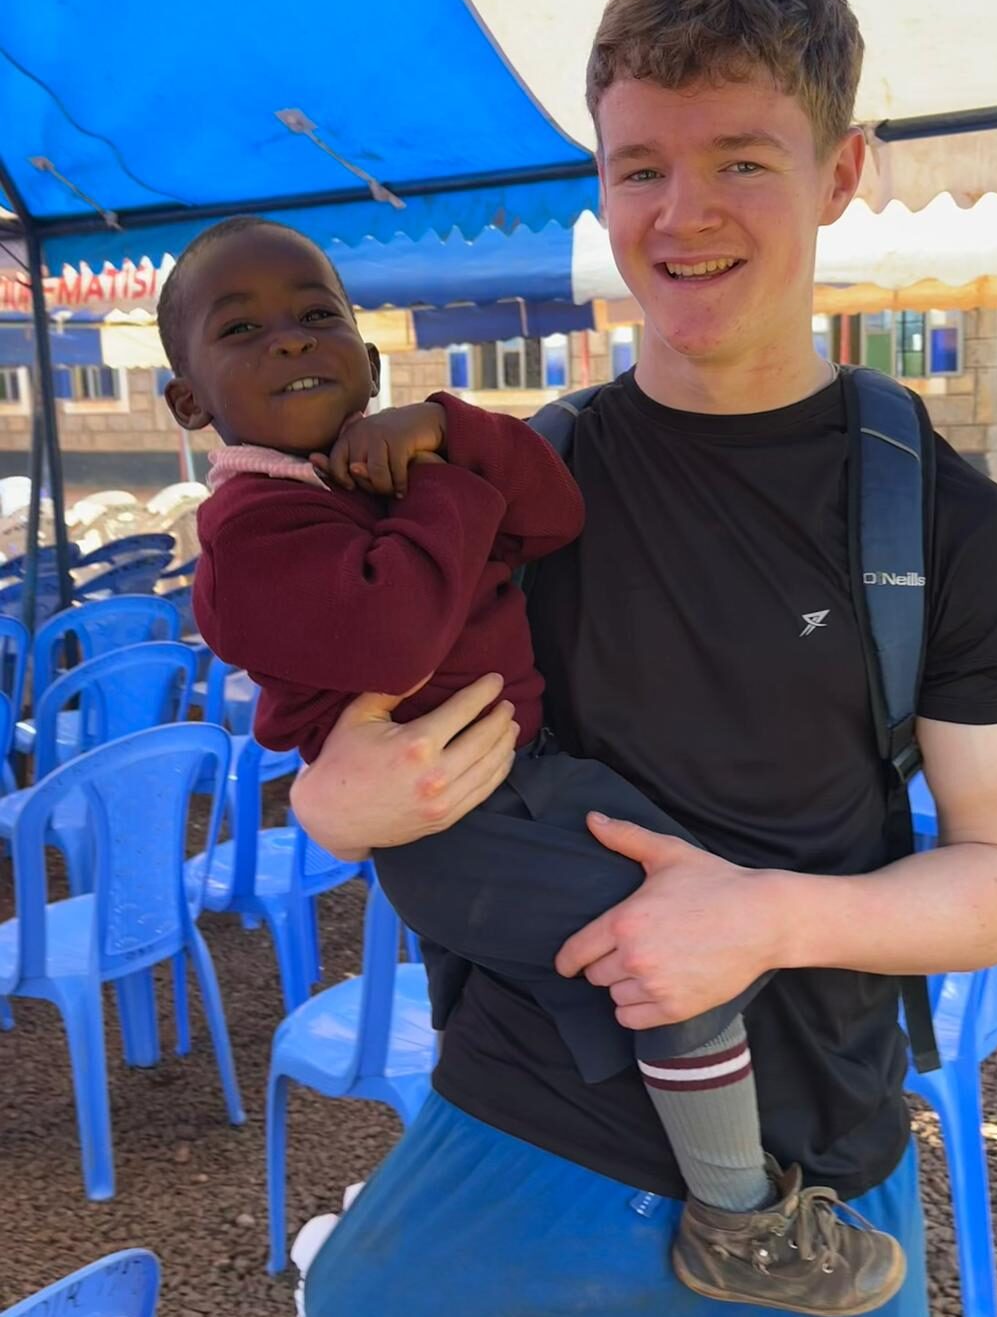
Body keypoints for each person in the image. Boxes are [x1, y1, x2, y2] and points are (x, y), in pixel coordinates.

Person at [292, 0, 997, 1317]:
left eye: (742, 163)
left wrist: (761, 918)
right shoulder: (497, 491)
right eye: (641, 166)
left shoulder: (948, 525)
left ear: (838, 171)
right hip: (527, 1118)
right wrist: (333, 806)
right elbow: (346, 751)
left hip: (815, 1165)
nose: (681, 213)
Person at [159, 214, 905, 1314]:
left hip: (531, 782)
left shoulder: (377, 471)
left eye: (317, 315)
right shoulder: (249, 535)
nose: (288, 341)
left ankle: (682, 1122)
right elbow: (396, 634)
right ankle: (738, 1220)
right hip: (454, 829)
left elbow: (550, 513)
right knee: (670, 946)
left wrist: (448, 431)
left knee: (686, 902)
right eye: (242, 329)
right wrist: (445, 487)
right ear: (187, 402)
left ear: (369, 362)